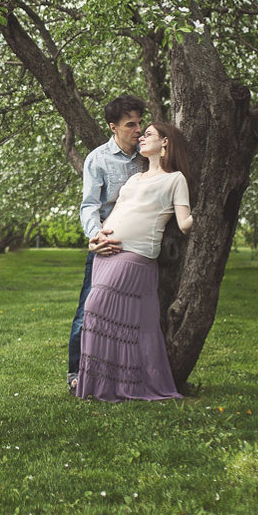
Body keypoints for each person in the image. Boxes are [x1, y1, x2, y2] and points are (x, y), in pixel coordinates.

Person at [73, 122, 194, 402]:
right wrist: (94, 240)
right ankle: (101, 386)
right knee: (106, 319)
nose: (142, 136)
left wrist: (210, 209)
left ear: (165, 143)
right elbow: (117, 212)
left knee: (95, 308)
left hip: (136, 254)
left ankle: (116, 384)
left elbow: (185, 223)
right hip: (106, 253)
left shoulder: (175, 179)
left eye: (148, 134)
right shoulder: (134, 178)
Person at [68, 95, 146, 392]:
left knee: (135, 315)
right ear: (113, 127)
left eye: (140, 123)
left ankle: (128, 374)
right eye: (130, 125)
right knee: (90, 309)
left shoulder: (148, 155)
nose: (138, 130)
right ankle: (76, 372)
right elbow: (89, 204)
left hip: (142, 247)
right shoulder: (98, 159)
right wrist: (95, 235)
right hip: (108, 243)